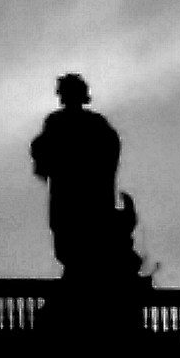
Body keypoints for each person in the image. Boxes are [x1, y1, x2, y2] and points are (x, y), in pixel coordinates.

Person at [31, 75, 142, 325]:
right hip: (78, 200)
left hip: (77, 200)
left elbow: (43, 153)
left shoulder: (63, 123)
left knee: (77, 251)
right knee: (75, 250)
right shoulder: (89, 124)